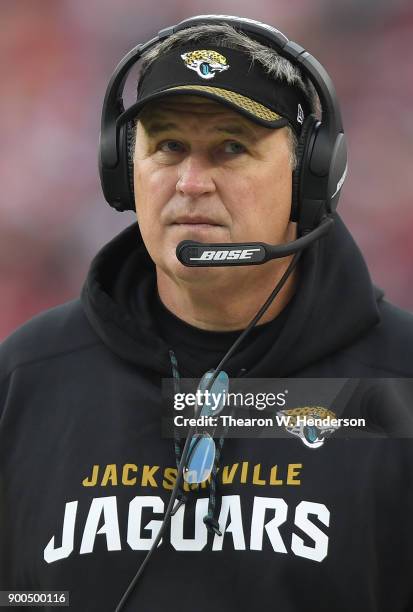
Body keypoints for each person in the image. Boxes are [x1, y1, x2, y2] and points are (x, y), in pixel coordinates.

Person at [1, 15, 413, 612]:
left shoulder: (400, 383)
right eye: (168, 146)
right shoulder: (26, 378)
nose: (191, 182)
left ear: (310, 176)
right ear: (123, 170)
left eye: (230, 147)